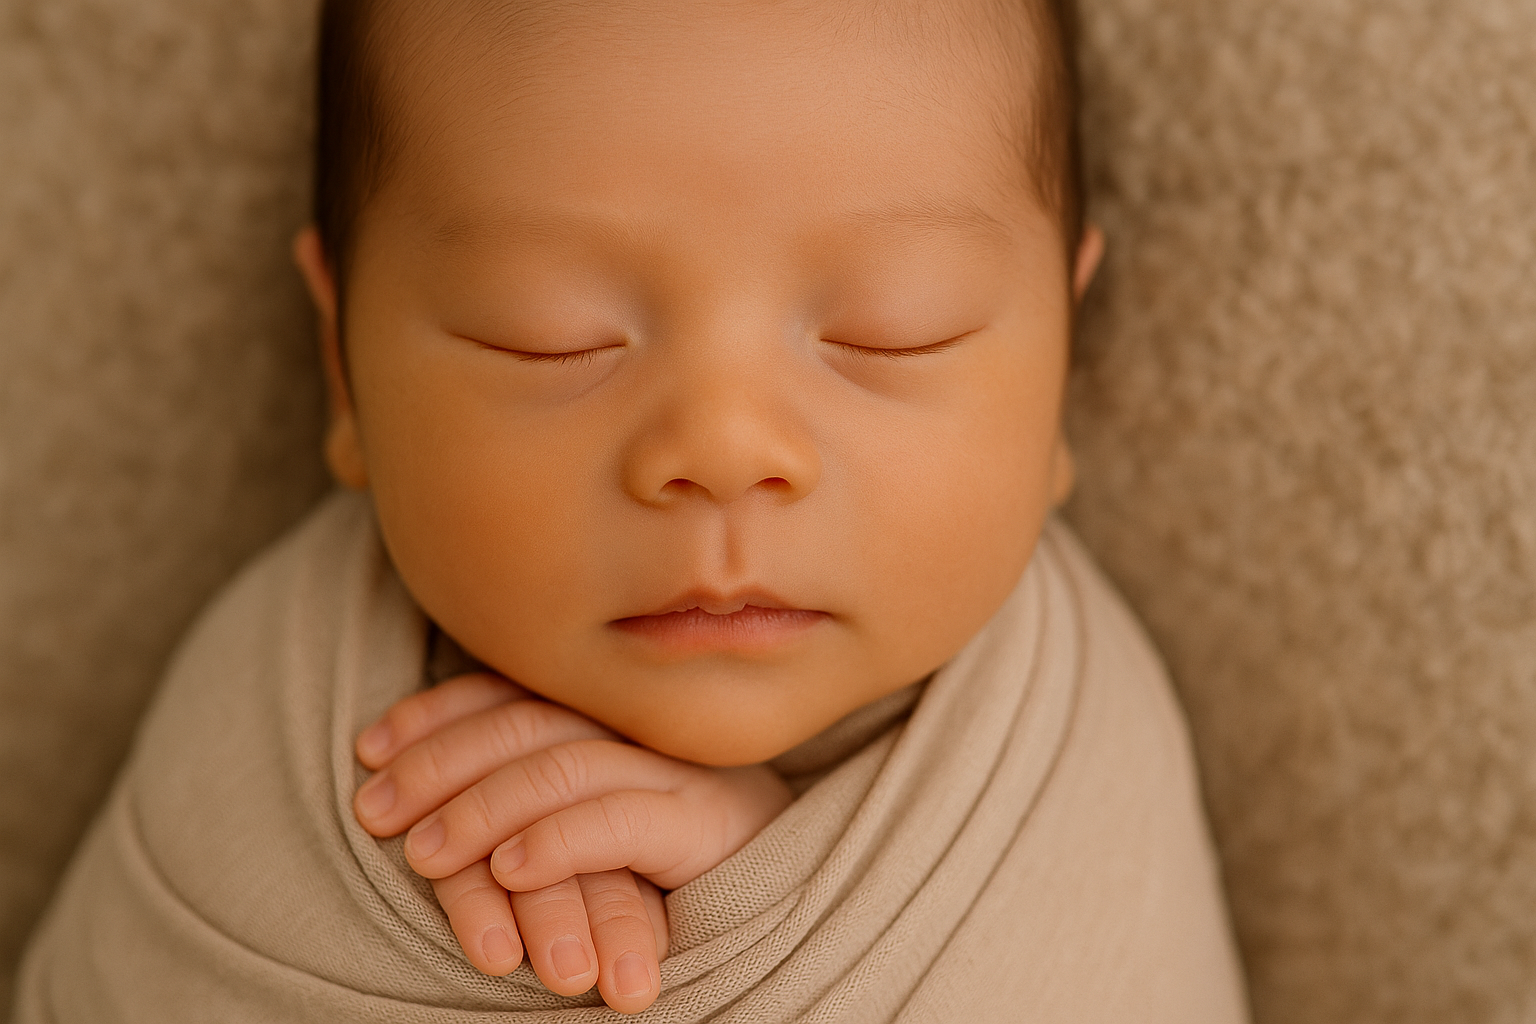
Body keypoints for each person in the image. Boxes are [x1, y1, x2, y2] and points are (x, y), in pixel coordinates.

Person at [13, 0, 1250, 1019]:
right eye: (550, 333)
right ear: (343, 364)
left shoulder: (1077, 759)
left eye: (894, 323)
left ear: (1062, 360)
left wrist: (767, 895)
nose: (721, 449)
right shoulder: (266, 737)